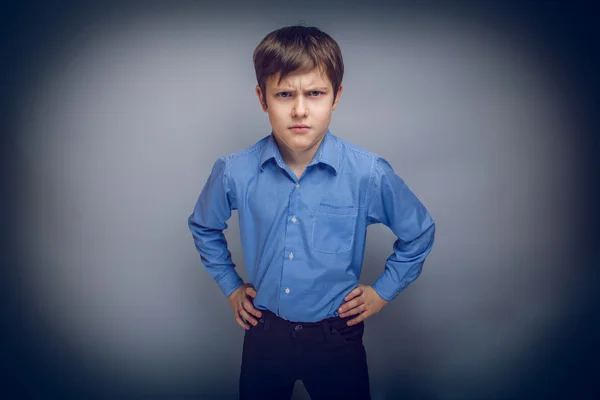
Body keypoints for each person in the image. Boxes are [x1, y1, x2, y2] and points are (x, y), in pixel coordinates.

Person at [188, 25, 435, 400]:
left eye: (315, 93)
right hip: (265, 334)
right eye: (284, 94)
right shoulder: (234, 171)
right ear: (262, 98)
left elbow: (419, 232)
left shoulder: (368, 173)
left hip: (336, 337)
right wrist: (231, 287)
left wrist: (383, 291)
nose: (300, 109)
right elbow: (204, 226)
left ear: (336, 96)